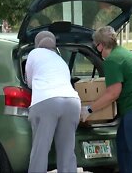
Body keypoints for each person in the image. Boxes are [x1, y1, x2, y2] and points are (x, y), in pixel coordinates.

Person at [80, 26, 132, 173]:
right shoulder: (124, 53)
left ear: (100, 45)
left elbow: (113, 93)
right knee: (123, 145)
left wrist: (89, 109)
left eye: (95, 45)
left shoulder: (112, 60)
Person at [25, 31, 81, 172]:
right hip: (72, 102)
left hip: (46, 101)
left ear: (36, 44)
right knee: (67, 152)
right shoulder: (60, 59)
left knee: (41, 151)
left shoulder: (34, 54)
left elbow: (30, 82)